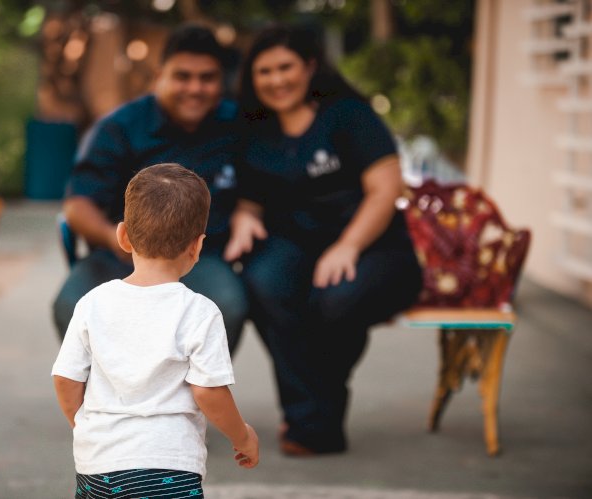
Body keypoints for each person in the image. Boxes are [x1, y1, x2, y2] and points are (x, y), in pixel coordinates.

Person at [224, 24, 423, 455]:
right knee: (263, 283)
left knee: (332, 300)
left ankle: (311, 418)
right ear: (252, 79)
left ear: (310, 67)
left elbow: (387, 188)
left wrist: (348, 245)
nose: (277, 80)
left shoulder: (349, 115)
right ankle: (311, 418)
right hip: (295, 246)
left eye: (286, 67)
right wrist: (244, 216)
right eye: (265, 72)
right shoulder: (254, 129)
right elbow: (251, 196)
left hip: (375, 247)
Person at [52, 164, 259, 499]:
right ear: (197, 246)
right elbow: (209, 392)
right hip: (168, 467)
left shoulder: (93, 302)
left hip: (96, 465)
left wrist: (84, 425)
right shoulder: (200, 312)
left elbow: (65, 378)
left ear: (123, 236)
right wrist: (243, 437)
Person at [53, 25, 247, 351]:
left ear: (221, 81)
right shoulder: (120, 126)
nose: (195, 88)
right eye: (182, 76)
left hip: (201, 258)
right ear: (160, 76)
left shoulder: (238, 124)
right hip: (123, 255)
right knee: (71, 306)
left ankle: (192, 396)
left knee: (227, 306)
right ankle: (105, 397)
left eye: (207, 78)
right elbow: (77, 205)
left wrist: (250, 209)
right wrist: (118, 242)